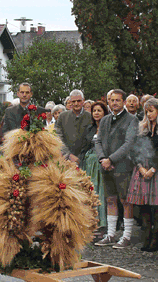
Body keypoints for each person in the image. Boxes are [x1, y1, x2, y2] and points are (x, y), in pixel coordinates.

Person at [126, 98, 158, 252]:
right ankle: (146, 238)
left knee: (156, 206)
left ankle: (155, 240)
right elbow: (133, 148)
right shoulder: (142, 128)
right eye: (147, 111)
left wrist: (152, 169)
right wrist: (140, 167)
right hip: (141, 167)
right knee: (143, 206)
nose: (149, 114)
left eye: (151, 111)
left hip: (157, 168)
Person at [94, 89, 138, 248]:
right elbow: (98, 141)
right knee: (110, 199)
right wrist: (102, 159)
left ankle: (126, 236)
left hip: (123, 165)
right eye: (111, 100)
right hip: (105, 166)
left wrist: (111, 159)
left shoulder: (131, 120)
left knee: (126, 201)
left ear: (124, 102)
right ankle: (111, 234)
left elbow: (129, 144)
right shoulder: (105, 120)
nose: (114, 103)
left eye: (117, 100)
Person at [82, 101, 109, 237]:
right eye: (94, 111)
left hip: (103, 162)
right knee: (91, 192)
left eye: (99, 110)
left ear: (104, 112)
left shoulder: (109, 127)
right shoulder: (89, 128)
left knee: (102, 192)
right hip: (90, 163)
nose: (97, 113)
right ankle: (92, 224)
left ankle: (103, 224)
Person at [55, 89, 92, 164]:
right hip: (65, 159)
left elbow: (91, 139)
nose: (76, 104)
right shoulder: (62, 116)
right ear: (70, 101)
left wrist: (82, 157)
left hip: (86, 159)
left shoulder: (90, 117)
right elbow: (58, 137)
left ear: (83, 101)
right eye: (73, 101)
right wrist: (68, 155)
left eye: (78, 101)